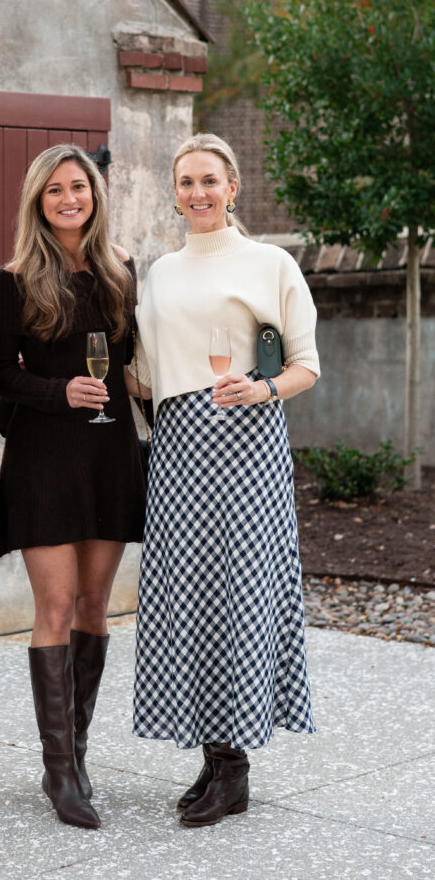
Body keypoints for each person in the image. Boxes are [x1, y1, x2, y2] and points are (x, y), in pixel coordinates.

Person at [128, 132, 320, 828]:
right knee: (188, 595)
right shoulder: (158, 272)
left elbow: (305, 365)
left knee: (238, 593)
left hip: (244, 445)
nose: (197, 193)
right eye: (185, 182)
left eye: (209, 180)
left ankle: (233, 765)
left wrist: (264, 391)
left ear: (231, 186)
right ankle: (211, 756)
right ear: (173, 192)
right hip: (178, 446)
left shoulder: (270, 263)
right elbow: (146, 374)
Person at [0, 144, 146, 830]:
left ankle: (76, 754)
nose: (68, 198)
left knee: (93, 604)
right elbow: (0, 375)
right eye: (54, 190)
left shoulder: (120, 272)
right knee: (52, 607)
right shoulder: (16, 278)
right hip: (44, 458)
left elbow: (136, 356)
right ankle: (59, 775)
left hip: (109, 452)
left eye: (77, 187)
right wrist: (59, 392)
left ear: (93, 194)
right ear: (37, 201)